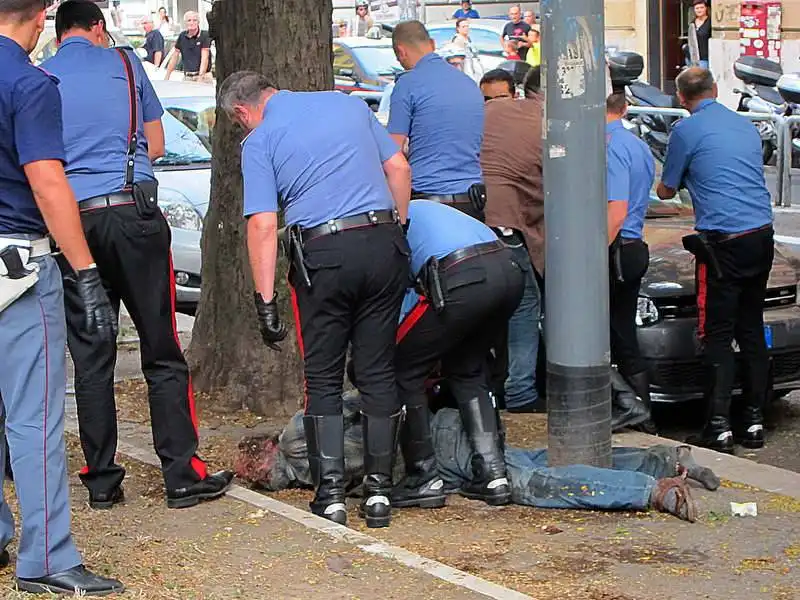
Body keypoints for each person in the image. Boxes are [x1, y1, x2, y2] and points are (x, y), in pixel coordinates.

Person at [44, 0, 233, 511]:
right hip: (134, 212)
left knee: (90, 356)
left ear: (60, 35)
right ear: (99, 28)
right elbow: (154, 142)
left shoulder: (43, 79)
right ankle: (181, 475)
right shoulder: (127, 64)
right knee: (162, 348)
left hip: (74, 223)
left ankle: (102, 480)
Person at [219, 71, 412, 528]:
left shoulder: (261, 140)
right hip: (383, 239)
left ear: (241, 112)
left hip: (324, 254)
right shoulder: (347, 104)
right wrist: (397, 228)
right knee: (377, 368)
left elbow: (263, 224)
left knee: (322, 374)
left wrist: (265, 300)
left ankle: (330, 495)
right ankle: (380, 493)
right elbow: (399, 167)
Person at [0, 0, 124, 593]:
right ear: (42, 14)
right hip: (17, 262)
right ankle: (46, 557)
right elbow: (48, 181)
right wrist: (86, 271)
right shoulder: (29, 81)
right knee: (36, 418)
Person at [235, 390, 713, 522]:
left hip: (446, 445)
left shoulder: (301, 436)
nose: (262, 479)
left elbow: (365, 405)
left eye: (256, 470)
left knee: (533, 485)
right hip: (444, 447)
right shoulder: (306, 466)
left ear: (268, 448)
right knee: (539, 462)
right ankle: (660, 462)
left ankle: (651, 491)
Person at [657, 68, 774, 453]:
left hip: (723, 244)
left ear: (680, 98)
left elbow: (667, 187)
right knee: (751, 328)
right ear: (716, 90)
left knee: (718, 333)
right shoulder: (744, 125)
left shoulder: (686, 132)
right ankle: (755, 421)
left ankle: (719, 426)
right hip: (761, 234)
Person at [387, 200, 523, 509]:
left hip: (462, 274)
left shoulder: (389, 221)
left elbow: (394, 295)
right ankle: (493, 473)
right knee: (468, 367)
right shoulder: (423, 209)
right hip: (508, 270)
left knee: (403, 371)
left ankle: (422, 477)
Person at [480, 70, 544, 414]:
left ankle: (481, 388)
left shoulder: (475, 117)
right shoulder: (537, 117)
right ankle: (519, 391)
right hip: (507, 229)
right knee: (523, 305)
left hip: (470, 226)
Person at [389, 21, 485, 221]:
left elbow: (392, 152)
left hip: (429, 199)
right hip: (473, 199)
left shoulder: (407, 84)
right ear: (431, 43)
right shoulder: (468, 82)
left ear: (401, 51)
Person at [606, 90, 658, 434]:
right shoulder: (637, 144)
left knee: (602, 331)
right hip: (634, 243)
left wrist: (592, 253)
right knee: (622, 330)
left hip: (616, 246)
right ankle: (642, 412)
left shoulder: (608, 146)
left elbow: (616, 210)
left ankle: (635, 409)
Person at [165, 10, 211, 81]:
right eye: (189, 20)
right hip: (187, 77)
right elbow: (175, 57)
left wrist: (200, 78)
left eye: (194, 20)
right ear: (185, 23)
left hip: (203, 76)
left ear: (198, 22)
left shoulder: (204, 35)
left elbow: (205, 58)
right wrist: (167, 76)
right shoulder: (182, 36)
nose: (191, 23)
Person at [688, 0, 710, 68]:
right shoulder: (692, 23)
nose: (699, 10)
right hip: (692, 58)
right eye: (697, 8)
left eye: (701, 7)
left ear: (706, 8)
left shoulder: (710, 22)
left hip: (704, 58)